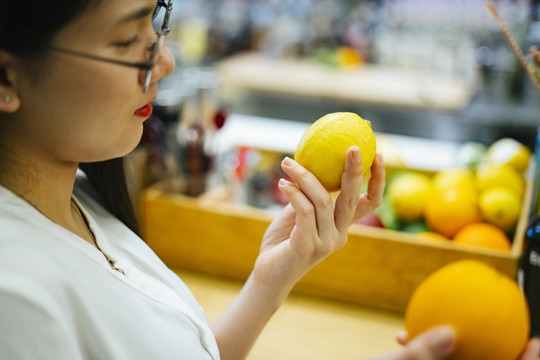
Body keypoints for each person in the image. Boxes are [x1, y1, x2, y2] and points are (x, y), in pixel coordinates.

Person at [0, 1, 537, 359]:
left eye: (157, 26)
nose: (163, 62)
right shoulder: (16, 300)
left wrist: (273, 276)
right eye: (127, 45)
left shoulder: (79, 198)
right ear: (6, 78)